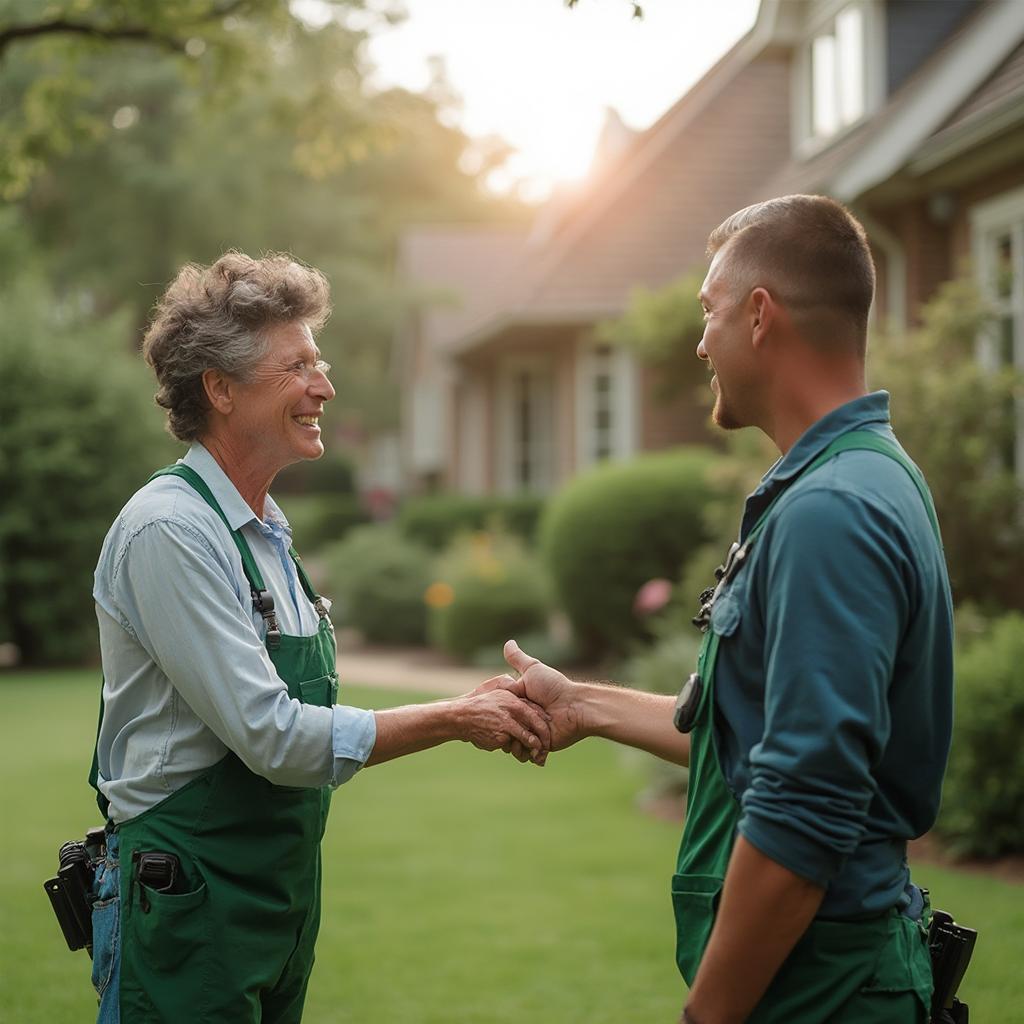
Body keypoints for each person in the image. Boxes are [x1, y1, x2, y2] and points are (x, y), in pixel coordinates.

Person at [497, 195, 954, 1023]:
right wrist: (585, 705)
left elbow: (806, 808)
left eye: (708, 312)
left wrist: (707, 1017)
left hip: (821, 988)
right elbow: (753, 737)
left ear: (758, 316)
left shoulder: (831, 512)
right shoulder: (861, 477)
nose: (699, 340)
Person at [87, 252, 551, 1024]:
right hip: (187, 904)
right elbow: (274, 740)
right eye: (298, 366)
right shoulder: (171, 531)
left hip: (274, 902)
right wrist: (454, 717)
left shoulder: (266, 533)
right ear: (222, 389)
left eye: (320, 362)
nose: (325, 387)